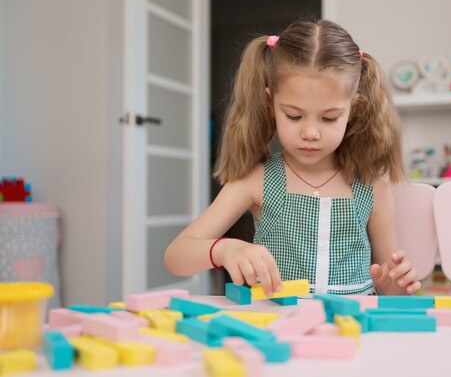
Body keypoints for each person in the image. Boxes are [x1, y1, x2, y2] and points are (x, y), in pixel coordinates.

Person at [164, 19, 421, 297]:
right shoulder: (257, 181)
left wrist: (393, 286)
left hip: (354, 335)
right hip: (277, 332)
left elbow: (391, 285)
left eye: (329, 118)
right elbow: (176, 256)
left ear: (353, 110)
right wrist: (225, 249)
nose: (310, 132)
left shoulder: (373, 187)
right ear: (269, 104)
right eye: (294, 116)